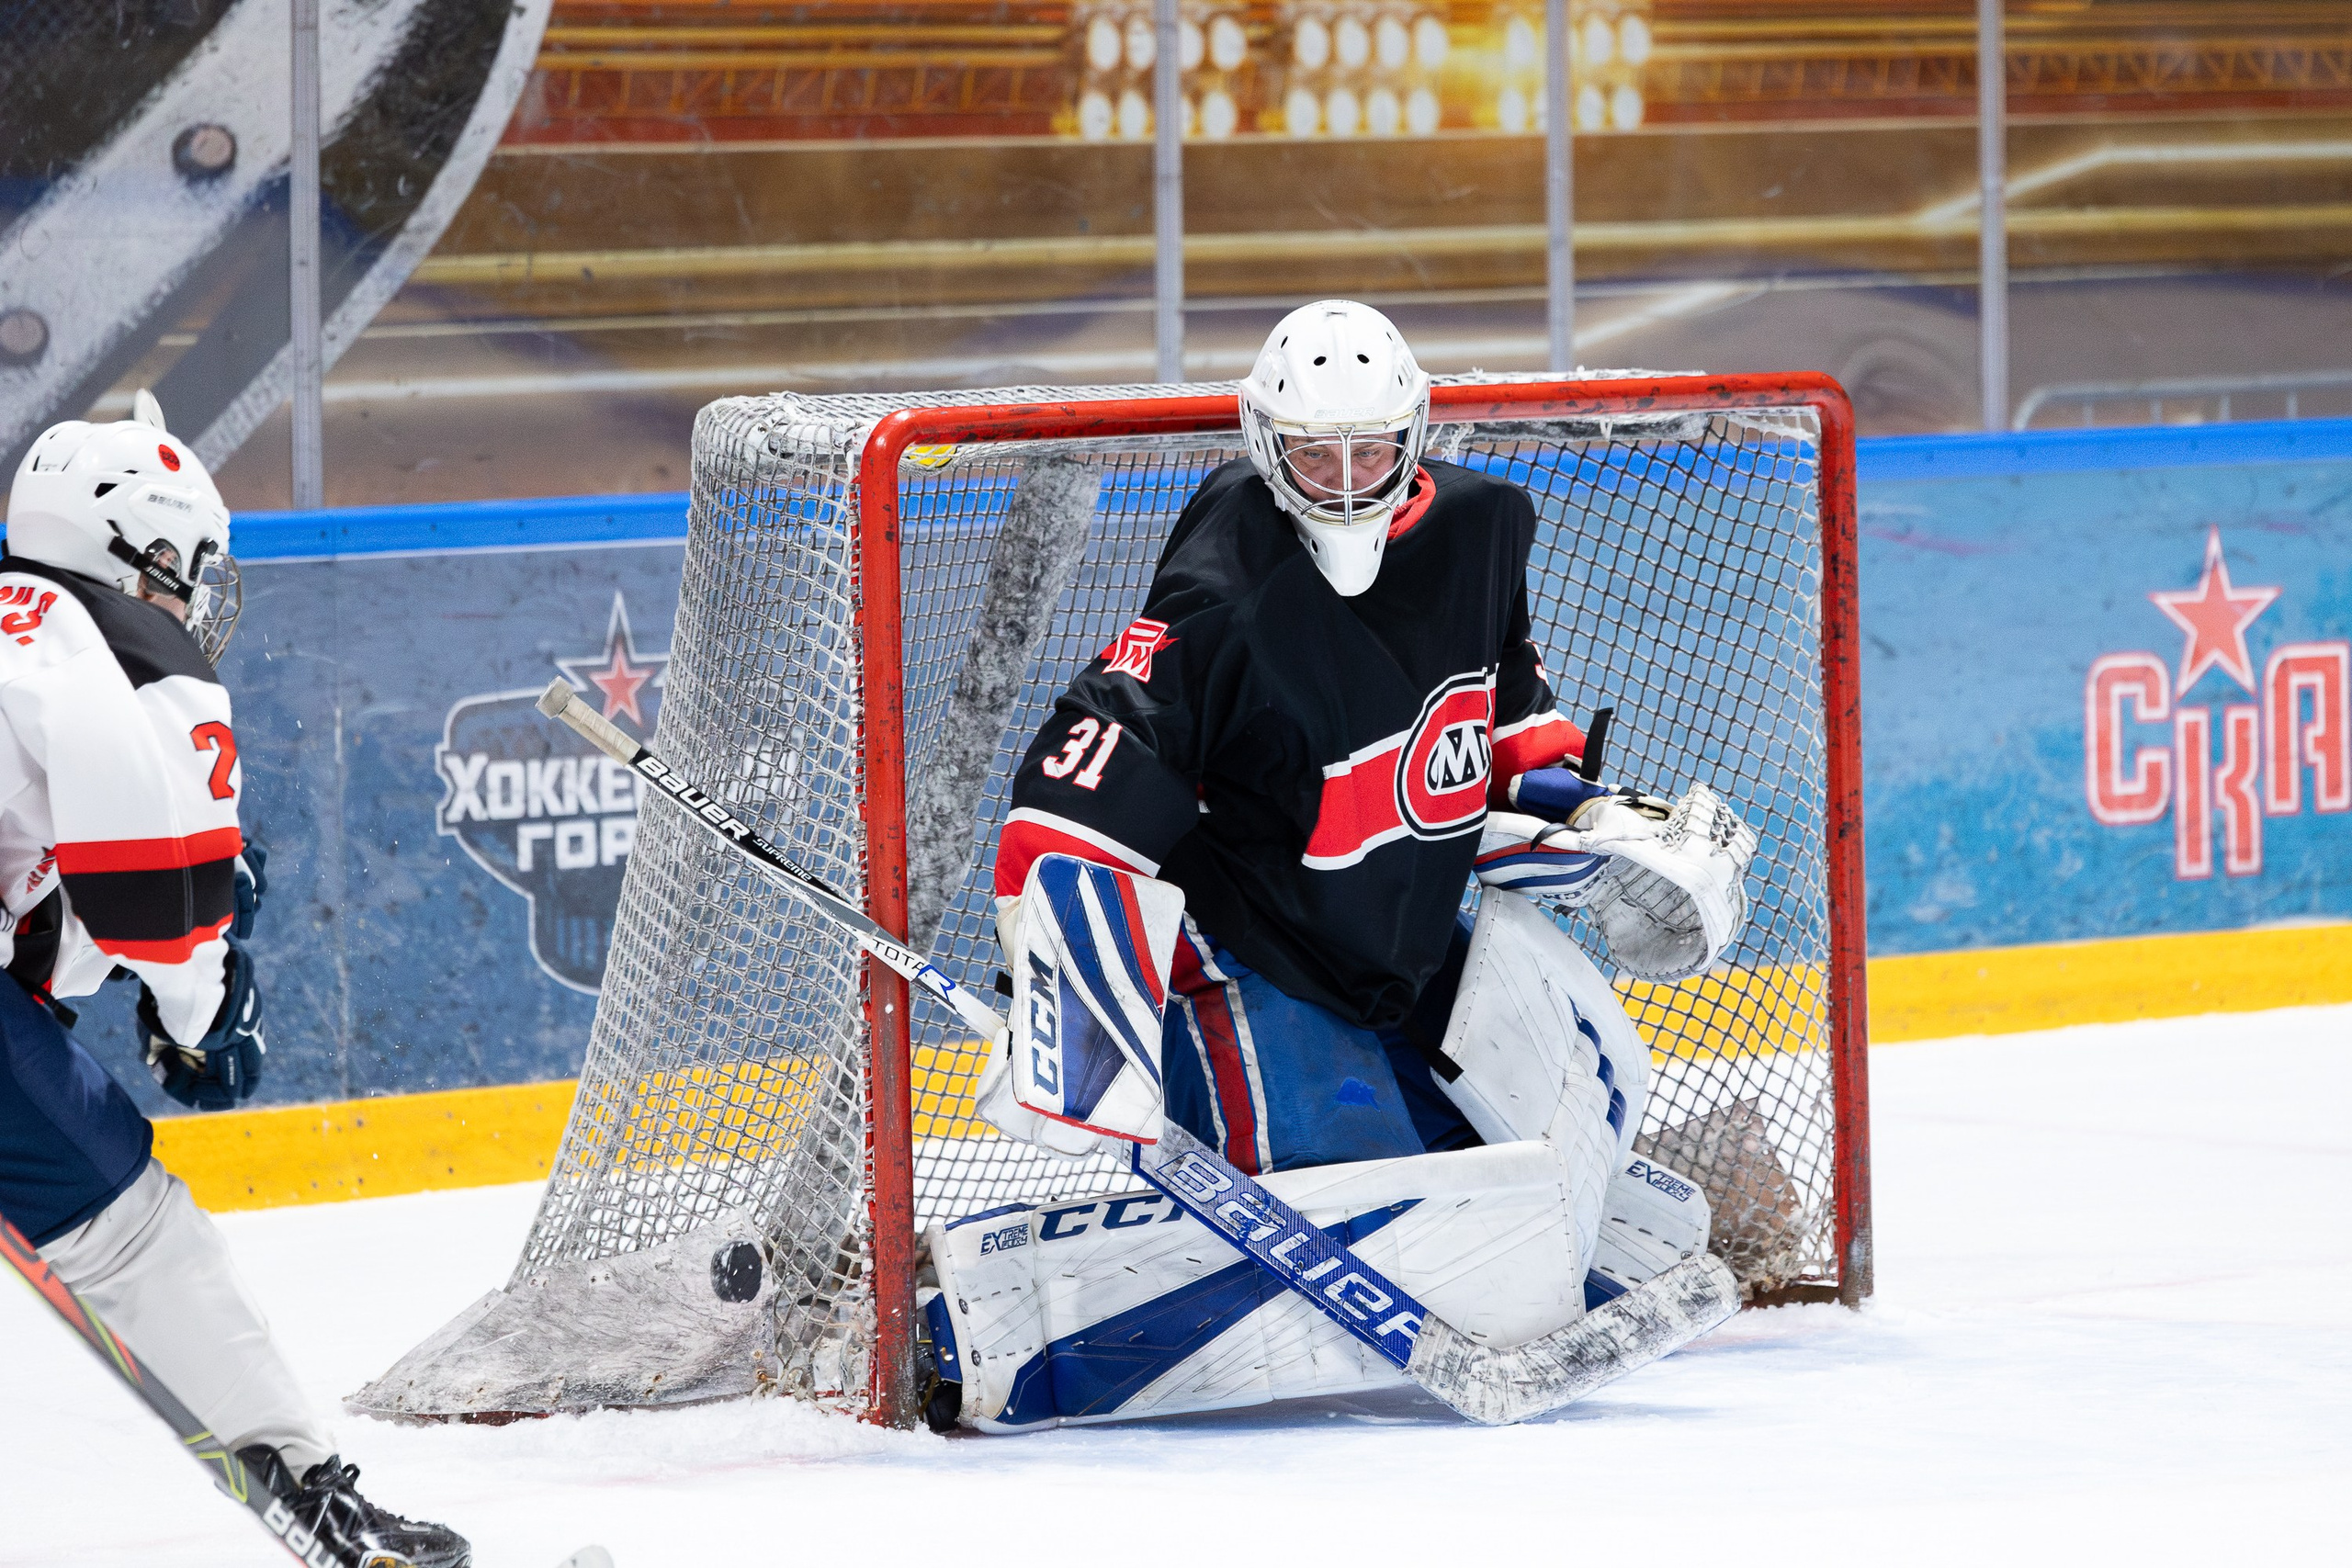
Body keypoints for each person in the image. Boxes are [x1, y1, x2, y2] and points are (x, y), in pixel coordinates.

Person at [922, 300, 1757, 1432]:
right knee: (1410, 1222)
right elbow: (1073, 796)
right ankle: (977, 1317)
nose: (1347, 480)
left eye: (1371, 449)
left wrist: (1589, 813)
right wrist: (1064, 1002)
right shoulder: (1223, 590)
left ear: (1415, 436)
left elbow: (1506, 705)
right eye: (1315, 453)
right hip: (1247, 950)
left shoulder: (1480, 529)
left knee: (1550, 1204)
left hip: (1394, 945)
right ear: (1267, 445)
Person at [0, 395, 469, 1566]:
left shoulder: (24, 625)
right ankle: (313, 1496)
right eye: (192, 563)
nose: (199, 592)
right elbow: (159, 908)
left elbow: (56, 919)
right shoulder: (125, 643)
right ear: (134, 549)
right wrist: (206, 1008)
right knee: (140, 1232)